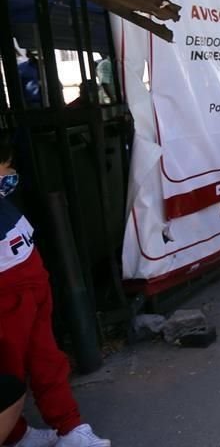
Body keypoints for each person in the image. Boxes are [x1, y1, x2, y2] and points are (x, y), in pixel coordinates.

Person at [0, 137, 111, 447]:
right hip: (9, 301)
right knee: (11, 370)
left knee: (47, 360)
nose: (10, 175)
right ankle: (15, 433)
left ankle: (69, 428)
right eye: (5, 168)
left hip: (34, 290)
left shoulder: (5, 204)